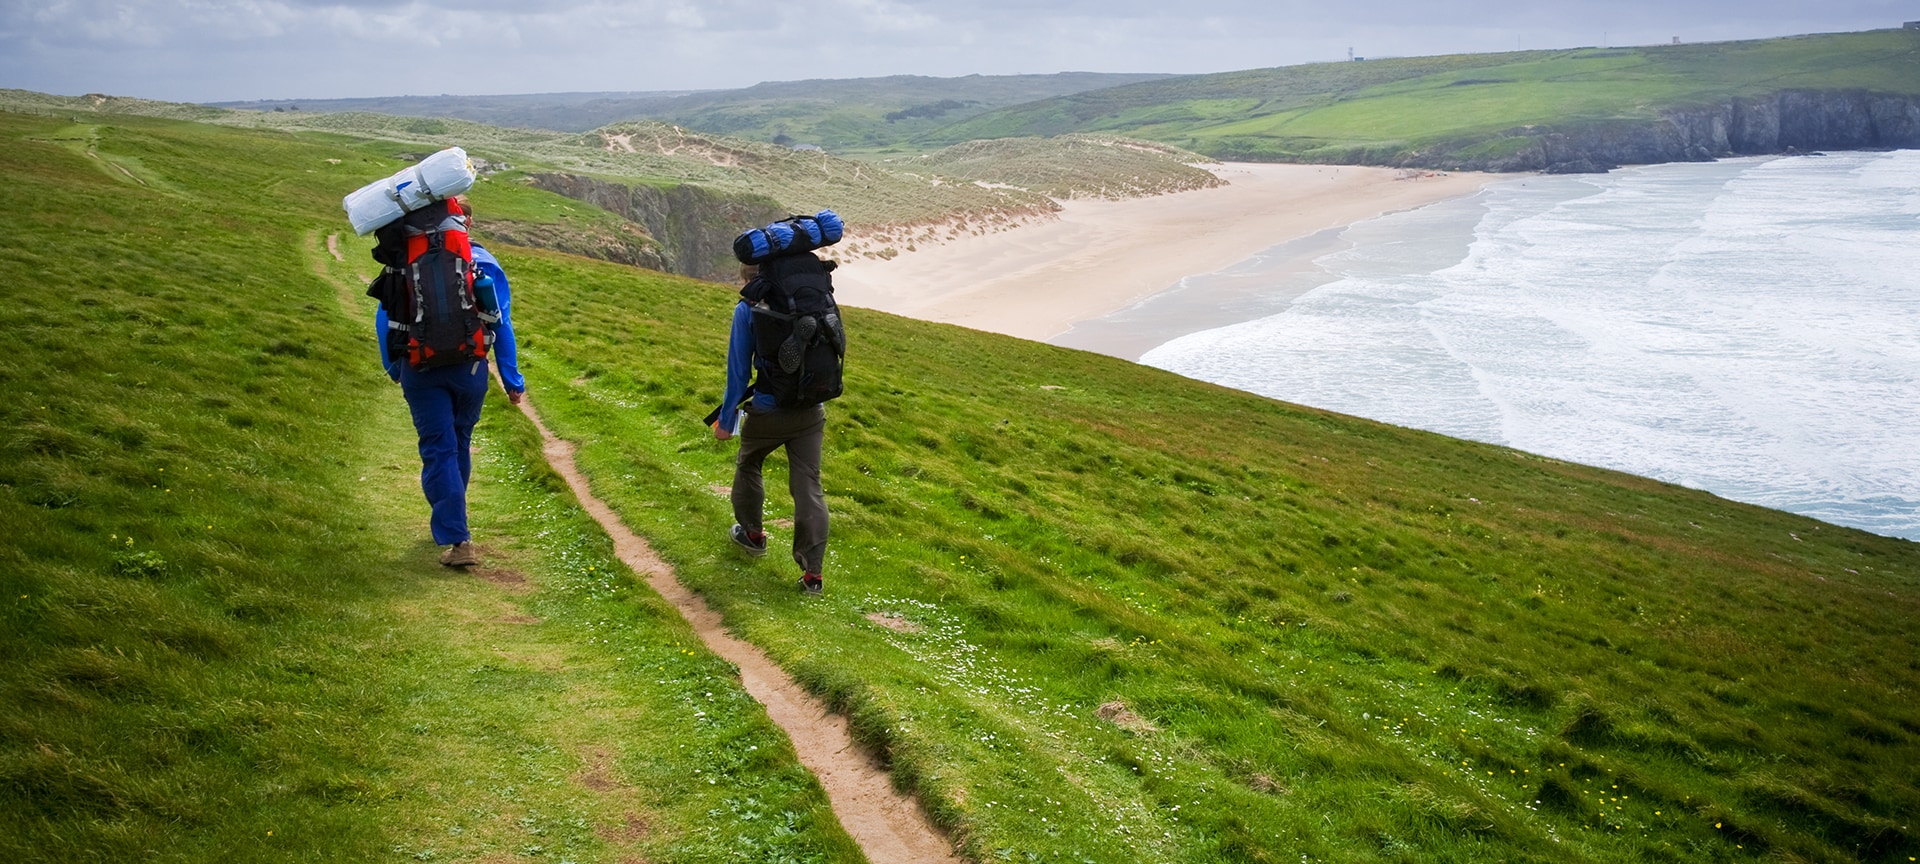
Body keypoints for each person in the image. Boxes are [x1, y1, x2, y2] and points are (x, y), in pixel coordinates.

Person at [373, 203, 525, 568]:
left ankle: (457, 535)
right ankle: (456, 521)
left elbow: (385, 320)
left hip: (419, 367)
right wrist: (512, 380)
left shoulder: (403, 262)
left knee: (438, 449)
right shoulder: (482, 262)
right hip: (469, 369)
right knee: (459, 442)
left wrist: (393, 366)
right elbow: (500, 324)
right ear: (464, 223)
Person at [713, 263, 830, 594]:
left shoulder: (747, 308)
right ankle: (813, 575)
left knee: (749, 463)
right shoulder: (810, 299)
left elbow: (738, 373)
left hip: (767, 410)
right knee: (809, 486)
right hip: (810, 408)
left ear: (746, 277)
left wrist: (726, 421)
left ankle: (752, 535)